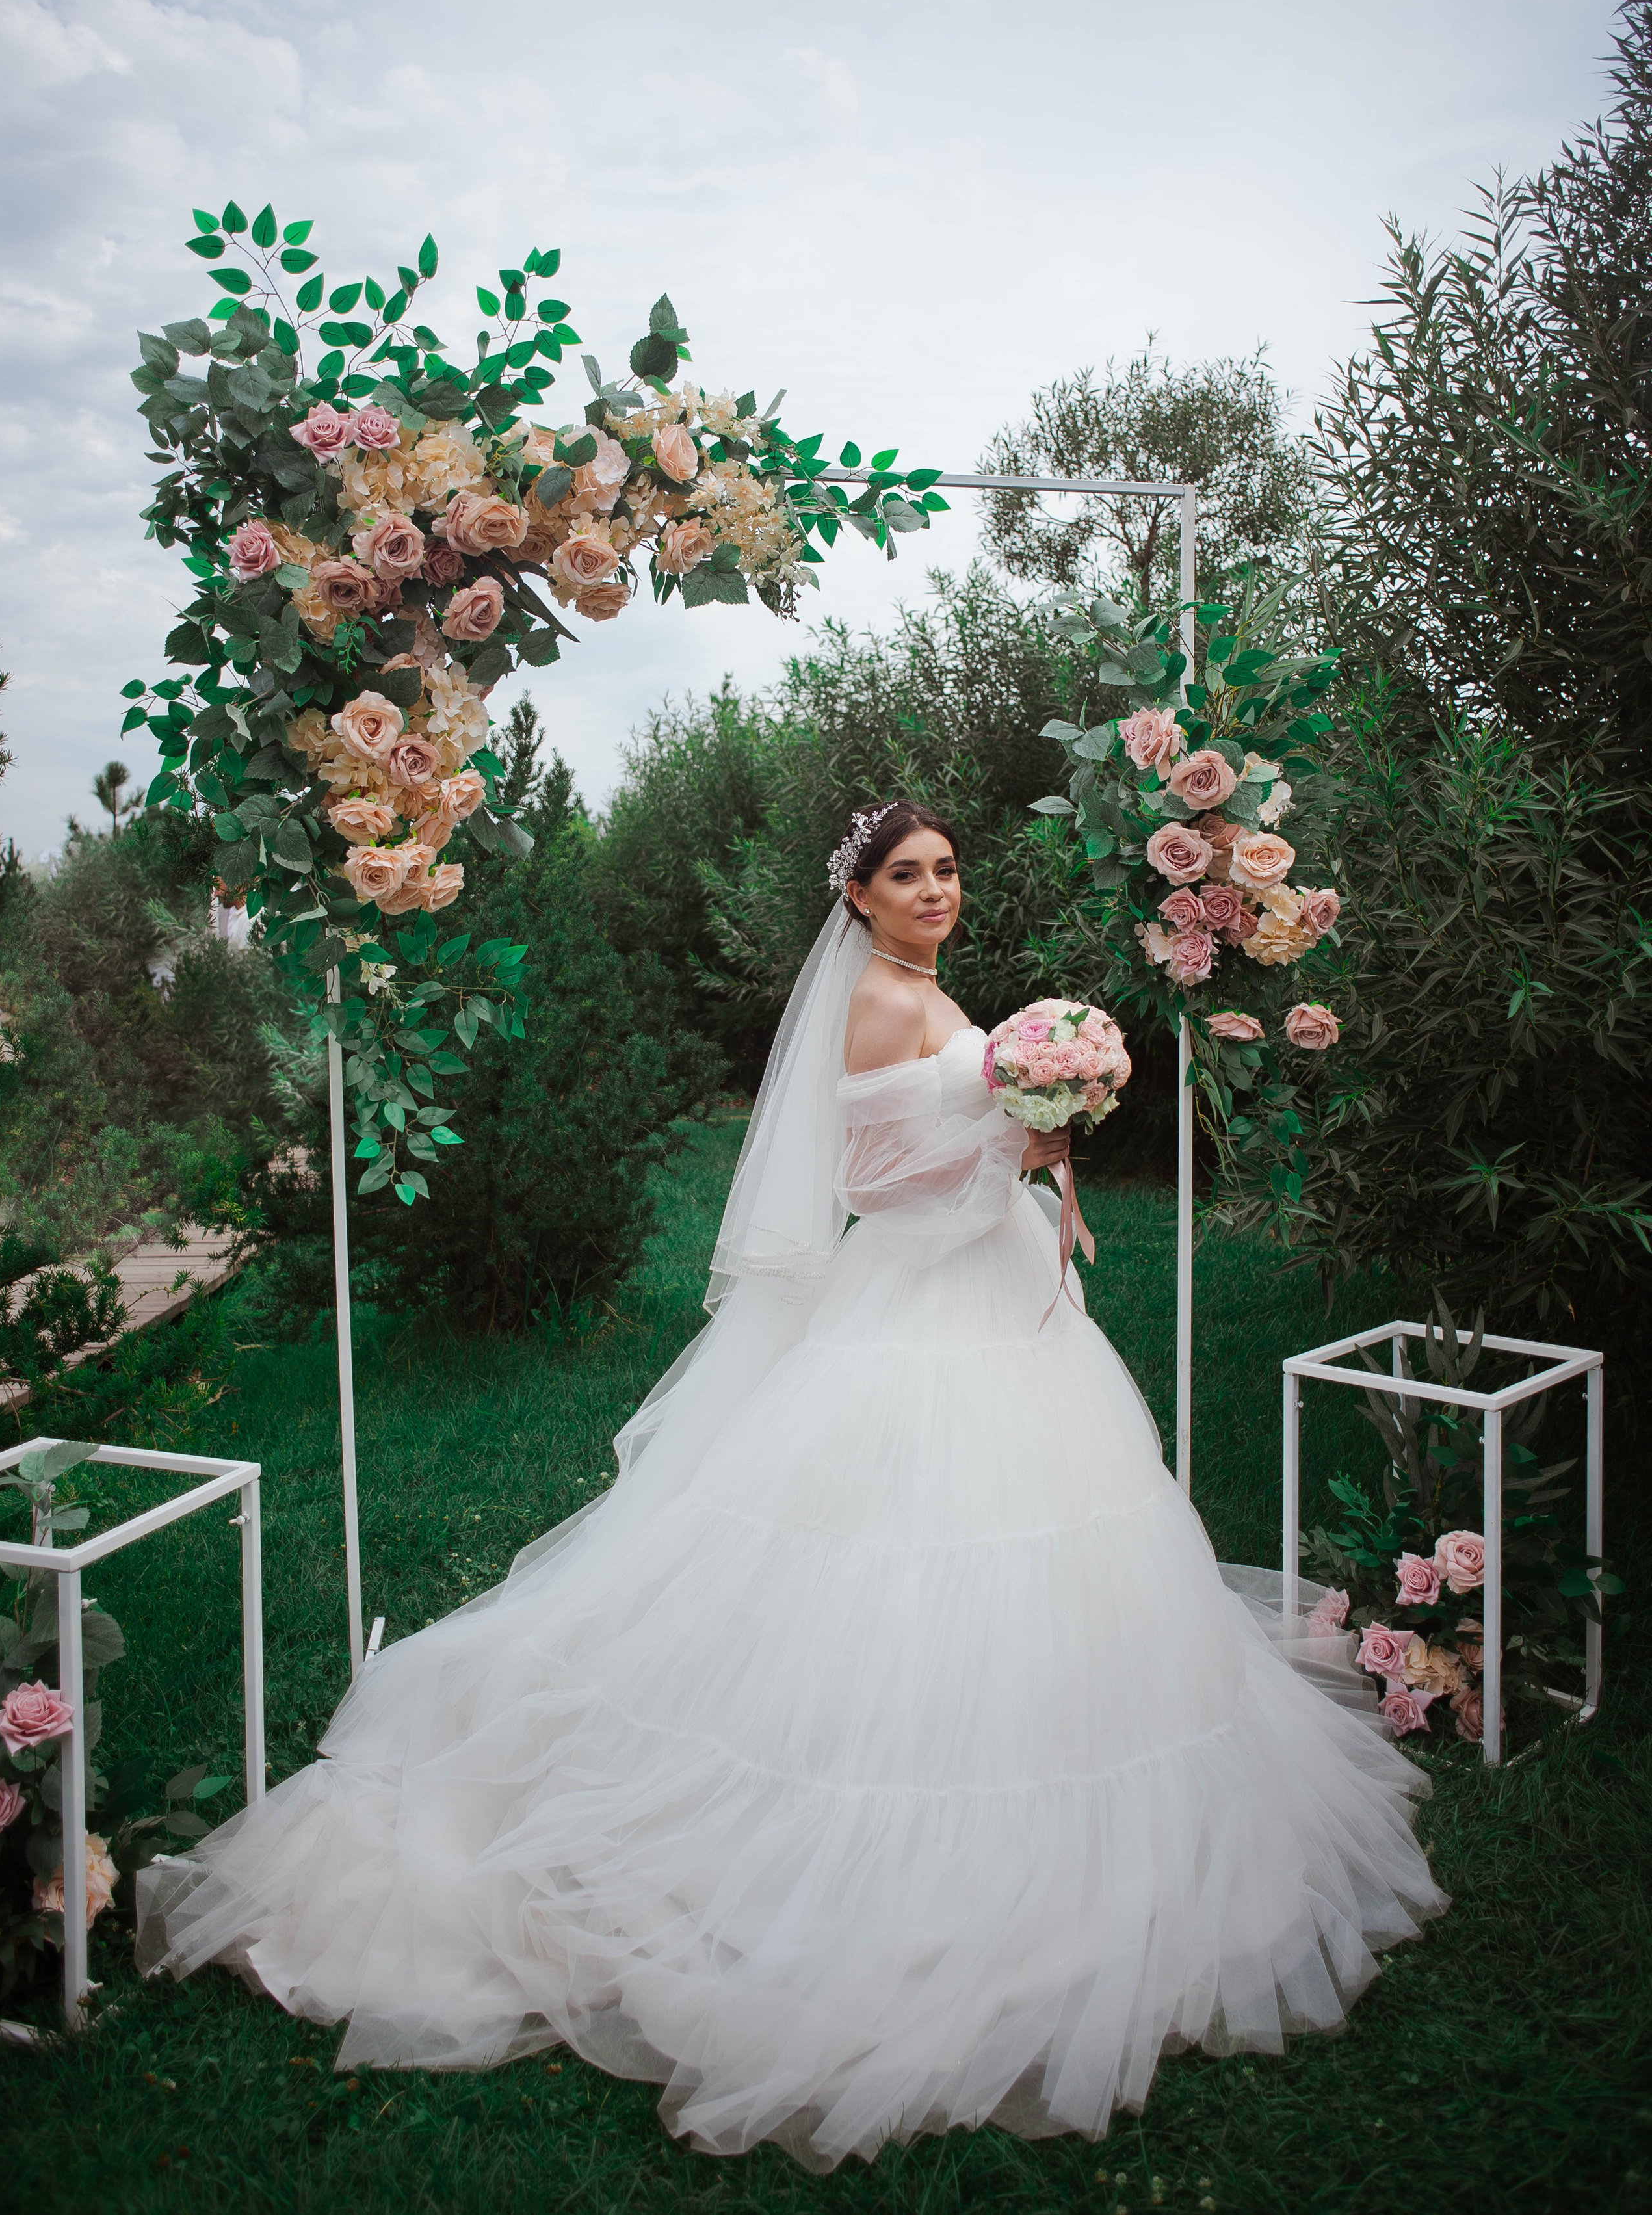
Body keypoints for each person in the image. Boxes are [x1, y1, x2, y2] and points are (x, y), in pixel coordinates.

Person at [138, 798, 1445, 2169]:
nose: (935, 890)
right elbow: (876, 1186)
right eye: (907, 875)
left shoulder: (933, 989)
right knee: (894, 1557)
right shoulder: (881, 1002)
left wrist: (1039, 1127)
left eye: (946, 868)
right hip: (917, 1303)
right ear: (861, 898)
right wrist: (1017, 1130)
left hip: (992, 1291)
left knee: (1053, 1549)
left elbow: (960, 1141)